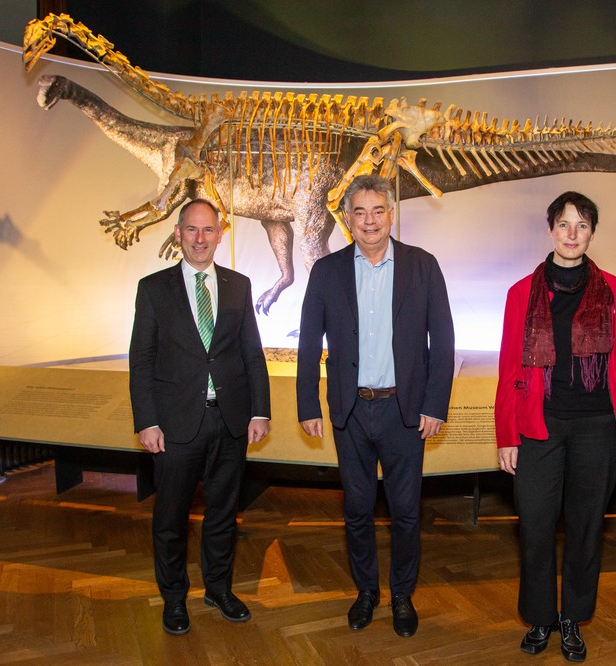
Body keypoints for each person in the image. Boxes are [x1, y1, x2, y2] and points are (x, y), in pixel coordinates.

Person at [296, 174, 455, 638]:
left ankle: (402, 595)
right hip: (350, 411)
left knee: (406, 512)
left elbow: (442, 341)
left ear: (391, 214)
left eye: (378, 210)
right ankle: (366, 591)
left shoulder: (422, 266)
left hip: (404, 413)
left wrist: (435, 404)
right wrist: (308, 403)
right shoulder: (326, 272)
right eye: (359, 212)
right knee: (357, 511)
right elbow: (309, 344)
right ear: (347, 219)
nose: (369, 221)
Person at [494, 191, 616, 661]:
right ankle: (541, 618)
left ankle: (571, 619)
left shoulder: (614, 291)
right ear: (550, 230)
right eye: (564, 224)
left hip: (598, 429)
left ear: (592, 233)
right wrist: (506, 435)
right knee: (536, 527)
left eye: (582, 225)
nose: (572, 234)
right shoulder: (522, 292)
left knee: (585, 529)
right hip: (539, 428)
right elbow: (508, 369)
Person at [129, 199, 271, 636]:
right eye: (191, 230)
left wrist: (260, 410)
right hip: (175, 427)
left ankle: (218, 589)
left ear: (219, 234)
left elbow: (251, 351)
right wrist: (147, 420)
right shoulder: (153, 288)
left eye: (208, 230)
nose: (199, 238)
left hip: (229, 421)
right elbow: (143, 359)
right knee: (170, 518)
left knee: (224, 514)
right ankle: (174, 598)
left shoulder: (238, 285)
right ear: (177, 234)